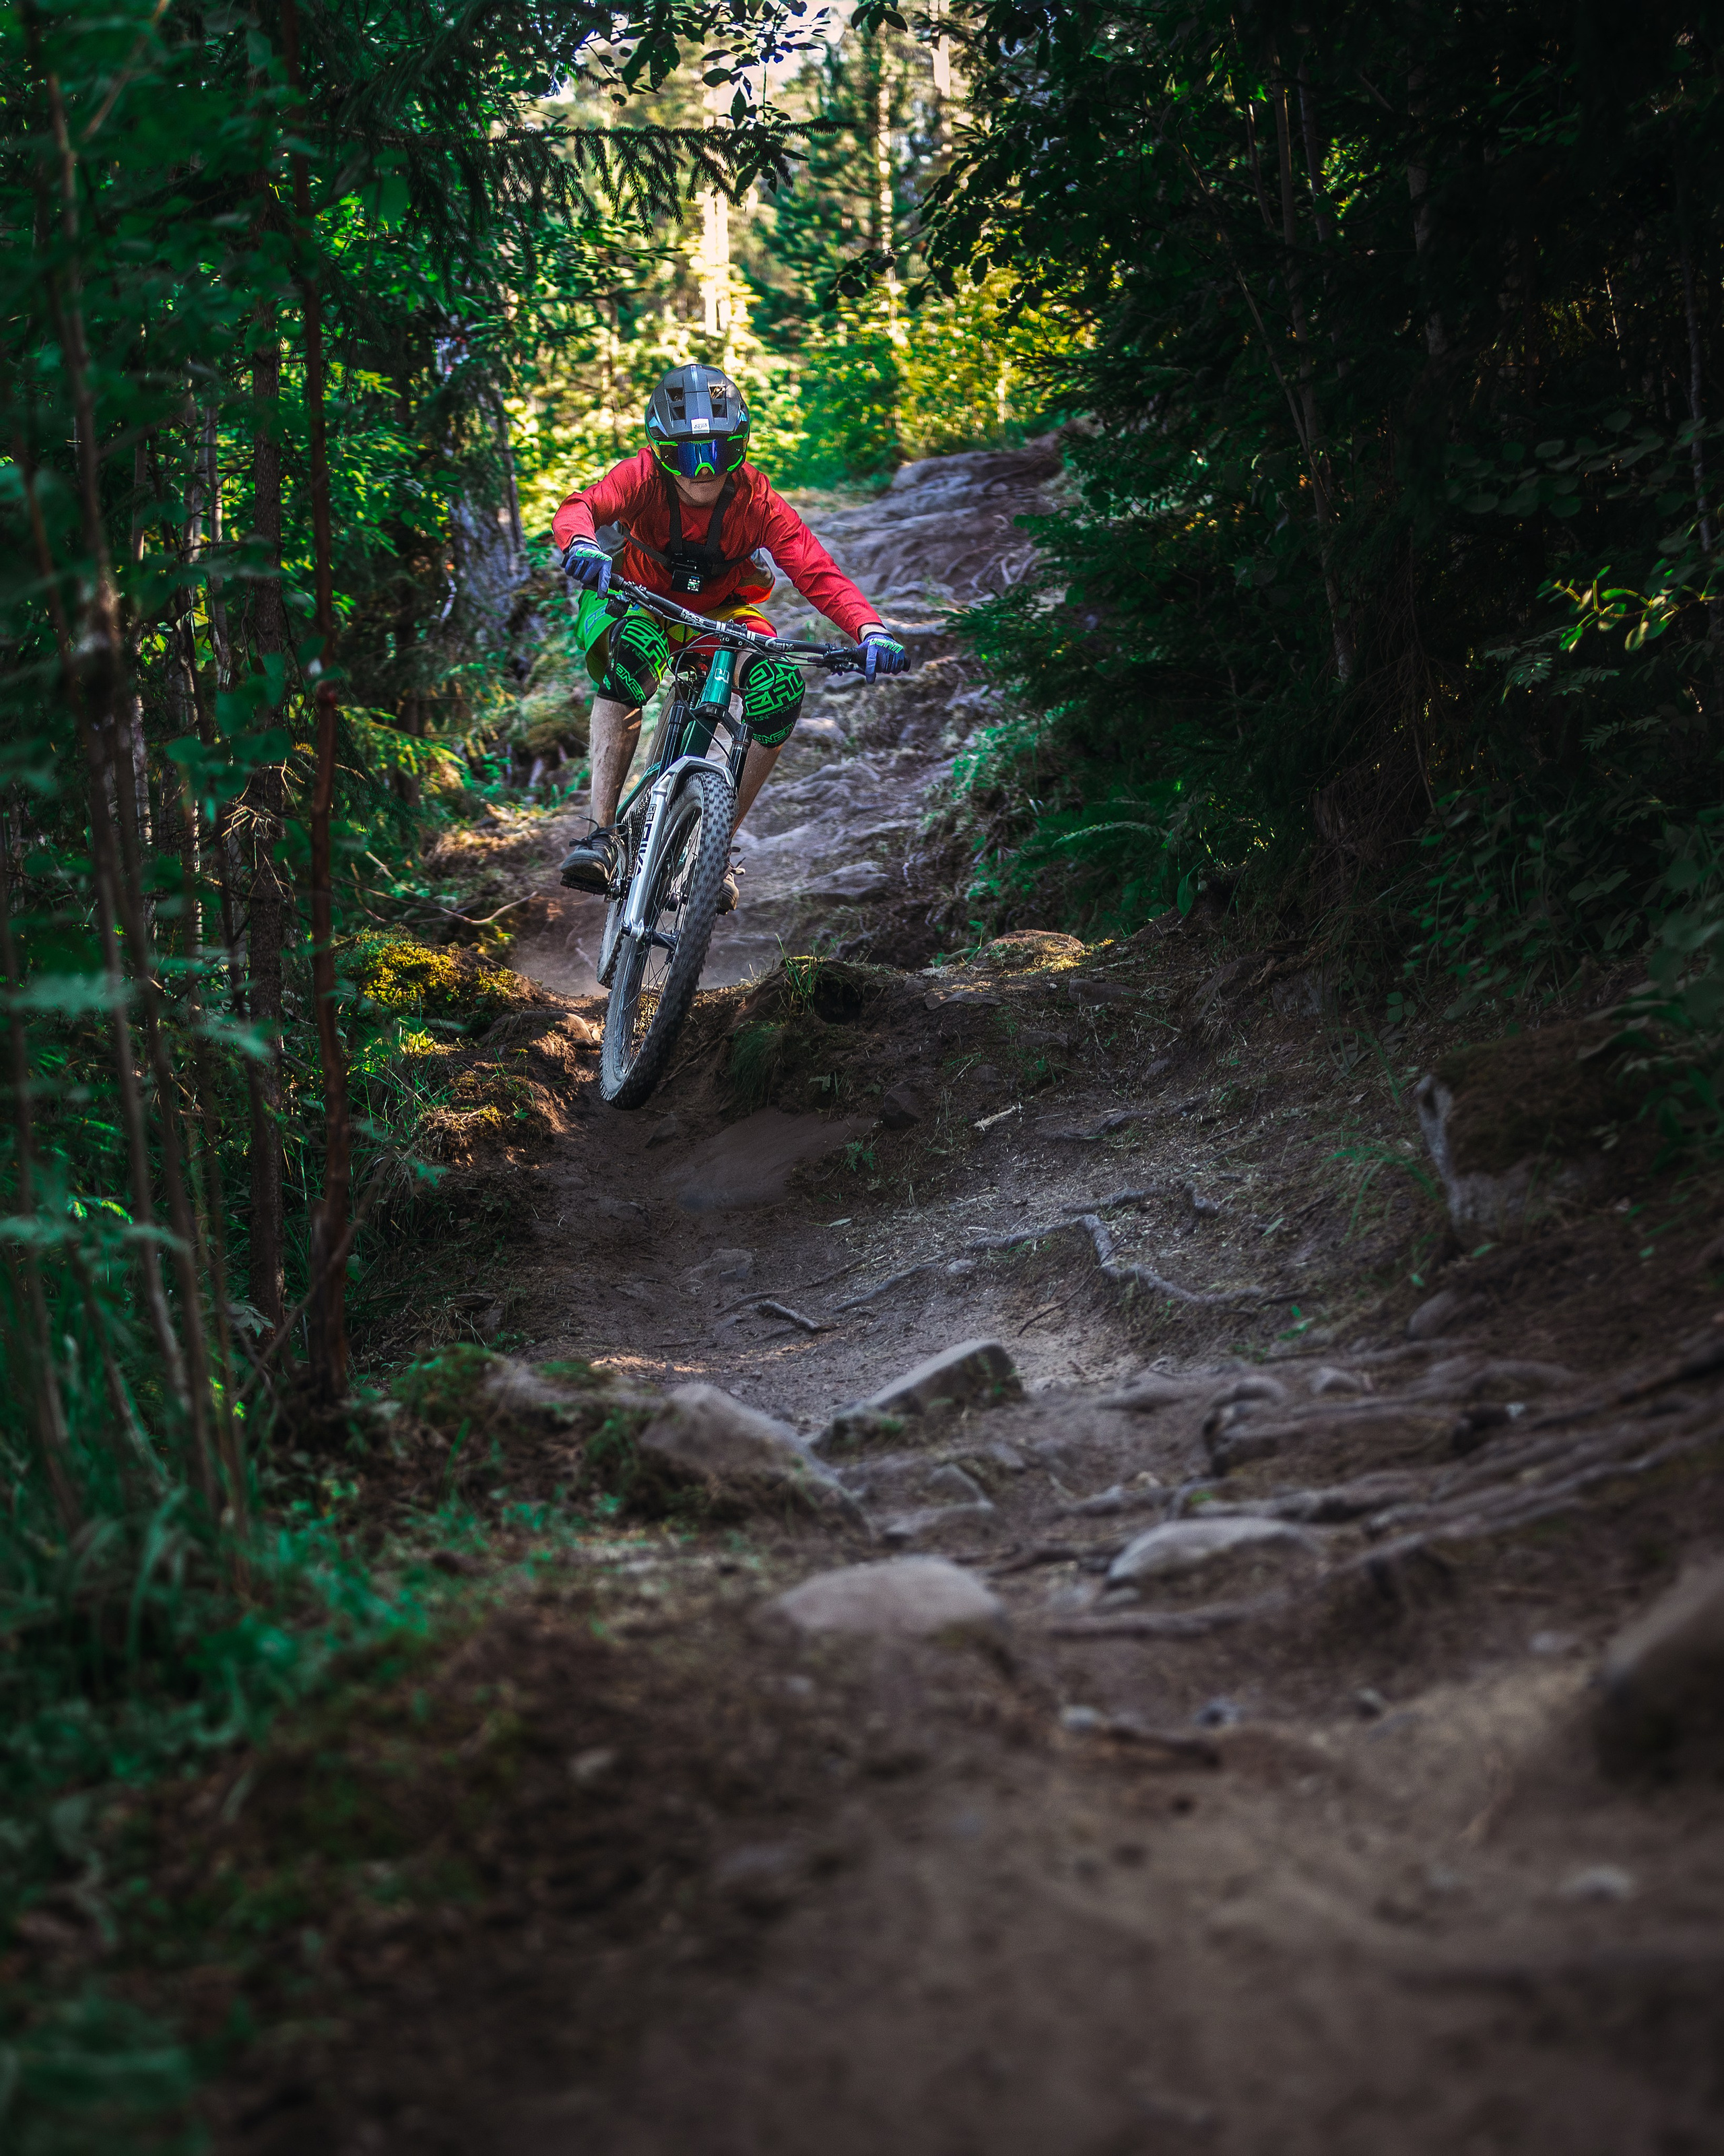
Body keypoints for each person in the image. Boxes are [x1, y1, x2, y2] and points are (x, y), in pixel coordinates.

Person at [550, 362, 906, 913]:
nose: (701, 470)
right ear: (659, 450)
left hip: (722, 611)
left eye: (717, 451)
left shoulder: (757, 500)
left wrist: (870, 628)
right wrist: (581, 543)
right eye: (684, 455)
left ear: (739, 447)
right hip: (636, 596)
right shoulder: (641, 477)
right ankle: (599, 835)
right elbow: (583, 506)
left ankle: (713, 852)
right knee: (632, 661)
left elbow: (815, 569)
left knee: (778, 691)